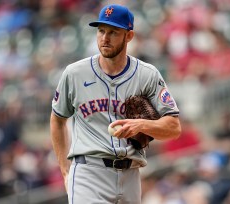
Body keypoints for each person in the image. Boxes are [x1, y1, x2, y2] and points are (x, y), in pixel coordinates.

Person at [50, 4, 181, 204]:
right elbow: (57, 120)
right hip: (89, 172)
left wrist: (142, 125)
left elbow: (173, 128)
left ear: (129, 36)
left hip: (131, 174)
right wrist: (65, 170)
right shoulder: (75, 73)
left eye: (113, 32)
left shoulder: (147, 75)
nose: (105, 38)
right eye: (101, 31)